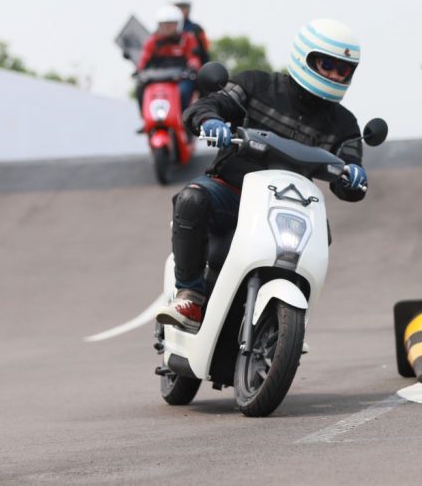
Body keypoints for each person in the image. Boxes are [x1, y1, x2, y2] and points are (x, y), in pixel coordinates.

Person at [155, 18, 368, 332]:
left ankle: (292, 321)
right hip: (232, 193)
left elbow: (349, 179)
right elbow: (207, 106)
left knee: (322, 234)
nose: (336, 75)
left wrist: (355, 175)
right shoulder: (256, 85)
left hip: (290, 206)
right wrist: (211, 120)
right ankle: (190, 295)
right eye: (327, 64)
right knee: (191, 199)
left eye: (344, 70)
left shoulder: (345, 124)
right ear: (304, 57)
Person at [136, 4, 202, 114]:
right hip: (157, 79)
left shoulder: (187, 39)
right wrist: (139, 70)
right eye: (163, 24)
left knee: (185, 91)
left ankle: (185, 117)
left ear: (178, 24)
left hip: (180, 78)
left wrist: (193, 67)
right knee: (140, 88)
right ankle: (146, 116)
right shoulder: (153, 41)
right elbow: (144, 58)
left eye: (171, 24)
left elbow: (193, 58)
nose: (167, 27)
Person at [167, 0, 211, 65]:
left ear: (189, 8)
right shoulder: (164, 30)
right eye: (178, 6)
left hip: (193, 69)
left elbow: (205, 53)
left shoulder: (197, 29)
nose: (180, 10)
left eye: (184, 7)